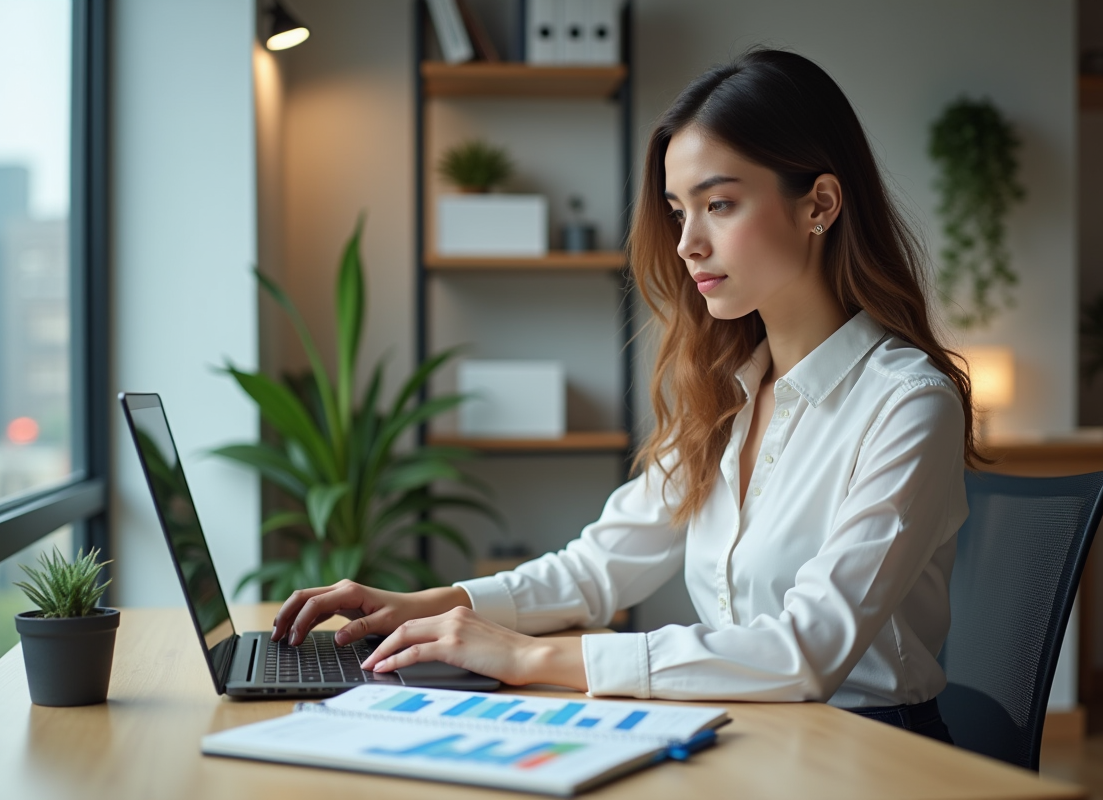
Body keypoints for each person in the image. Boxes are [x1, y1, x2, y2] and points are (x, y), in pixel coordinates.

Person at [270, 49, 976, 745]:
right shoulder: (729, 392)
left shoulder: (909, 404)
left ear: (819, 204)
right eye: (678, 212)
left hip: (872, 752)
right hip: (757, 735)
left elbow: (807, 650)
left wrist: (527, 658)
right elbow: (596, 570)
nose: (688, 243)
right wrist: (430, 605)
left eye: (719, 204)